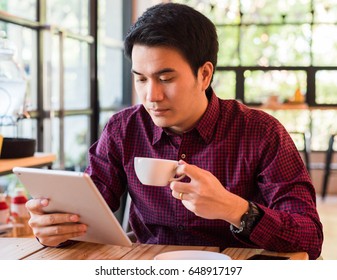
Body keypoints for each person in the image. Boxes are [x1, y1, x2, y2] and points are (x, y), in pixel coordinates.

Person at [26, 3, 323, 259]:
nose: (151, 96)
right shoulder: (123, 129)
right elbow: (87, 212)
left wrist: (234, 209)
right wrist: (53, 228)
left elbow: (309, 236)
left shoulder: (261, 132)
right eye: (141, 79)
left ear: (204, 74)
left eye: (165, 78)